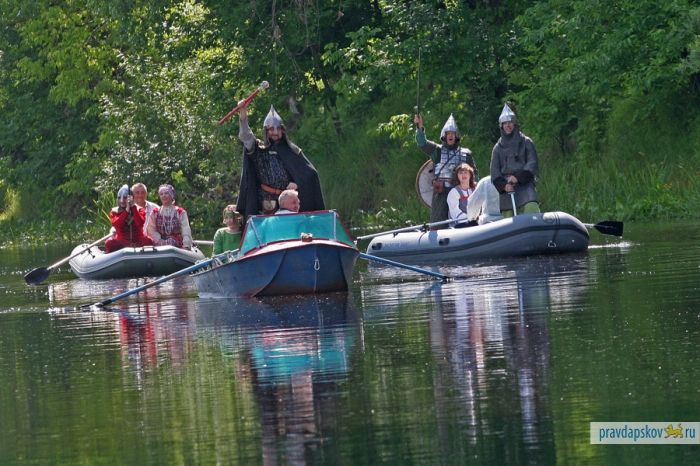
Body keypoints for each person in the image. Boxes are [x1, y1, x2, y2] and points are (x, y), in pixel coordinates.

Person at [236, 101, 325, 218]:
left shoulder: (292, 151)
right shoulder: (258, 149)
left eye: (278, 129)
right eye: (271, 129)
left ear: (282, 130)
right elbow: (245, 135)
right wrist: (243, 112)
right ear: (266, 130)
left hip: (288, 200)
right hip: (266, 200)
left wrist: (297, 183)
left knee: (291, 225)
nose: (275, 132)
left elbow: (310, 174)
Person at [414, 113, 478, 229]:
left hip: (459, 191)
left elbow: (474, 175)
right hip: (441, 192)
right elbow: (422, 143)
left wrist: (476, 191)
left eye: (452, 133)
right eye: (448, 133)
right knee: (438, 221)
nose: (450, 135)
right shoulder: (437, 151)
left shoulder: (466, 154)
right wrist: (419, 127)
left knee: (461, 219)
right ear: (444, 135)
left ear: (456, 136)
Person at [490, 103, 540, 217]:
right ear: (501, 126)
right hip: (507, 188)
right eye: (505, 123)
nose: (508, 125)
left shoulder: (526, 142)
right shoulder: (498, 148)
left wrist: (518, 177)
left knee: (532, 212)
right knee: (509, 221)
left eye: (510, 122)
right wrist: (504, 186)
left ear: (514, 123)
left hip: (525, 186)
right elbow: (494, 172)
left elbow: (532, 163)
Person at [105, 185, 154, 253]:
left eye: (125, 198)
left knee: (148, 241)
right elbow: (117, 225)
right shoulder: (114, 211)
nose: (122, 201)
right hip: (122, 243)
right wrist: (126, 211)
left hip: (137, 242)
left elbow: (139, 223)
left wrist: (133, 207)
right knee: (109, 243)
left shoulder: (140, 210)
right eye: (119, 198)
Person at [147, 184, 193, 249]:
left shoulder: (180, 212)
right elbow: (151, 229)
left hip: (176, 241)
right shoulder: (155, 212)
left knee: (170, 241)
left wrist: (186, 245)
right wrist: (158, 239)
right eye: (161, 194)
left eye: (166, 193)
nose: (164, 196)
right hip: (160, 241)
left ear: (171, 195)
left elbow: (185, 229)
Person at [446, 163, 478, 228]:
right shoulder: (454, 192)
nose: (463, 175)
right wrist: (469, 219)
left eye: (465, 172)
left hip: (477, 221)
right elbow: (454, 211)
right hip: (460, 225)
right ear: (457, 176)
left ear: (470, 174)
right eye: (460, 173)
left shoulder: (476, 189)